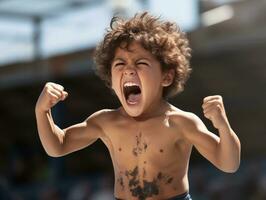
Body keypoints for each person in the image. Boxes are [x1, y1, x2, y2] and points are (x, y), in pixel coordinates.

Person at [35, 12, 241, 200]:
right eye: (120, 64)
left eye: (141, 63)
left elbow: (229, 164)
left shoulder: (180, 122)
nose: (129, 70)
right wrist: (42, 111)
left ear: (167, 76)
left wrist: (223, 126)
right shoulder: (106, 122)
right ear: (111, 80)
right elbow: (57, 146)